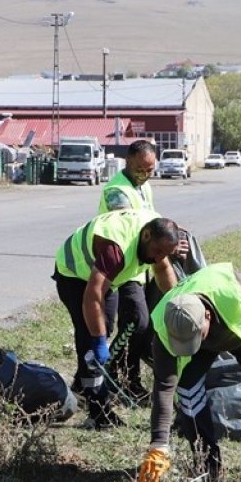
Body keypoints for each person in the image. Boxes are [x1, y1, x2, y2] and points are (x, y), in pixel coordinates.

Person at [136, 263, 241, 482]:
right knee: (187, 392)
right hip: (205, 341)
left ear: (207, 316)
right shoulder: (166, 329)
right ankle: (207, 465)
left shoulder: (231, 291)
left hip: (239, 331)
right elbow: (164, 388)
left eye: (194, 337)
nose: (188, 345)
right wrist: (159, 445)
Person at [53, 209, 180, 429]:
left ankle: (84, 387)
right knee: (90, 338)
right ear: (146, 235)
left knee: (105, 325)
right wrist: (99, 341)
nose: (158, 258)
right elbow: (92, 296)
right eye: (157, 251)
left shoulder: (156, 235)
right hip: (74, 273)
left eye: (164, 253)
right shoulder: (115, 250)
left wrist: (178, 305)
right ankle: (98, 412)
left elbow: (162, 269)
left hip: (104, 277)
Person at [96, 139, 159, 400]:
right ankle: (115, 373)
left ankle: (122, 373)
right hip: (120, 266)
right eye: (140, 170)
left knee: (143, 325)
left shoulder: (144, 187)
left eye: (150, 170)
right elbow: (128, 227)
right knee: (136, 322)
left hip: (140, 267)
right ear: (128, 162)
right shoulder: (116, 191)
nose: (145, 175)